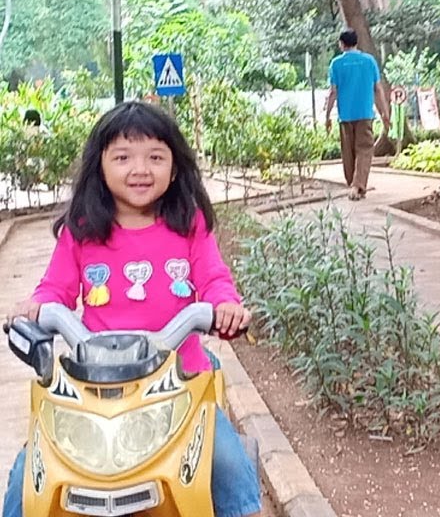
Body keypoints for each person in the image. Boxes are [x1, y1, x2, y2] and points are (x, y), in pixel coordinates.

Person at [1, 101, 260, 517]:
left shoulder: (188, 223)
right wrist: (35, 308)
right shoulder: (82, 229)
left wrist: (224, 307)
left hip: (180, 382)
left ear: (175, 168)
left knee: (226, 463)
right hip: (93, 388)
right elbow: (56, 288)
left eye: (155, 158)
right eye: (122, 158)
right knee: (29, 478)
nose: (140, 169)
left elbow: (213, 279)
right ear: (100, 167)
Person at [324, 28, 391, 201]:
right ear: (356, 42)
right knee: (364, 150)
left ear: (341, 44)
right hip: (364, 114)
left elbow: (333, 92)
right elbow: (377, 89)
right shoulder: (369, 61)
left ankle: (354, 185)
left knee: (348, 152)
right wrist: (384, 112)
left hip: (345, 115)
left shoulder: (336, 64)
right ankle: (357, 185)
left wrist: (327, 116)